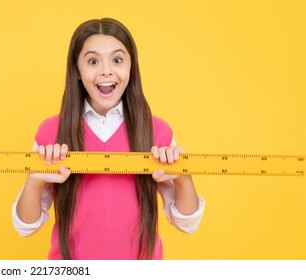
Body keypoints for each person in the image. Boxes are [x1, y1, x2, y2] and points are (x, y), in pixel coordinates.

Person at [12, 18, 205, 260]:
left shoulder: (157, 131)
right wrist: (34, 180)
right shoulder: (52, 132)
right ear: (77, 71)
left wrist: (183, 175)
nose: (106, 70)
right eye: (93, 61)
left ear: (131, 67)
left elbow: (187, 223)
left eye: (117, 60)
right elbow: (25, 226)